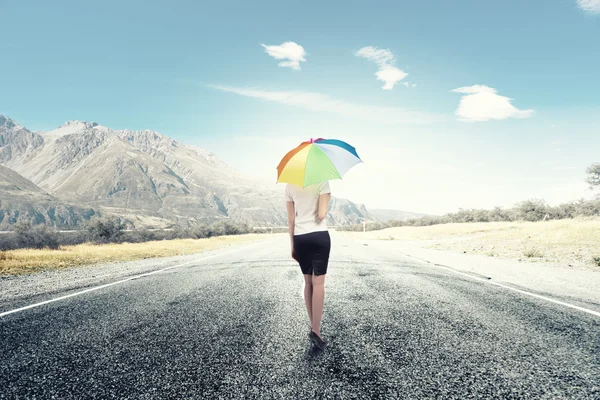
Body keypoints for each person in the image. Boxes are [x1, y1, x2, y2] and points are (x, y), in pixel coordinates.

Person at [285, 180, 331, 351]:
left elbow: (291, 220)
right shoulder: (322, 182)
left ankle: (313, 326)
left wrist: (292, 245)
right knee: (319, 283)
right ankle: (316, 332)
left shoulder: (290, 185)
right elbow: (321, 214)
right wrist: (327, 197)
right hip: (319, 236)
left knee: (308, 283)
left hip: (300, 238)